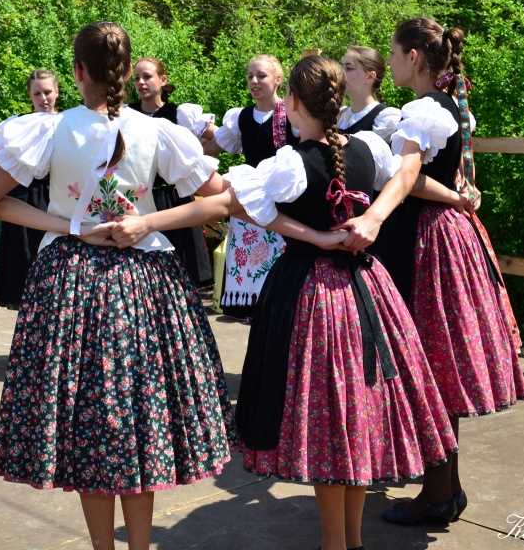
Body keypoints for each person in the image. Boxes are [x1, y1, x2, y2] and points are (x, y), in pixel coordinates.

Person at [0, 22, 256, 550]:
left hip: (70, 285)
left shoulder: (49, 130)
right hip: (146, 284)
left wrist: (67, 226)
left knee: (91, 427)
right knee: (141, 421)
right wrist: (148, 223)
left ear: (77, 72)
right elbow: (225, 199)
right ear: (124, 70)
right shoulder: (159, 131)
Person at [109, 55, 458, 550]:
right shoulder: (369, 148)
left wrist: (147, 221)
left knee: (328, 418)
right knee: (354, 412)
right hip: (366, 289)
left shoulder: (292, 163)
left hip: (314, 298)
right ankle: (349, 542)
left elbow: (227, 204)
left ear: (292, 102)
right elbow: (406, 178)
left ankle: (334, 544)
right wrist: (372, 219)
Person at [371, 18, 524, 526]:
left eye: (393, 52)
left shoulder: (423, 110)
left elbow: (410, 179)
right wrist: (460, 196)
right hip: (446, 236)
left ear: (414, 56)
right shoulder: (449, 106)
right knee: (437, 364)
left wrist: (375, 217)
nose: (390, 62)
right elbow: (446, 176)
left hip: (427, 241)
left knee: (430, 366)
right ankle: (446, 490)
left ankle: (439, 494)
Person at [202, 55, 300, 320]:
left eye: (261, 76)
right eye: (250, 76)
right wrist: (187, 155)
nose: (254, 81)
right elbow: (215, 146)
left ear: (278, 79)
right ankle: (252, 310)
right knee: (249, 264)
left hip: (282, 203)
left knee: (278, 265)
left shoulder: (292, 115)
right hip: (248, 202)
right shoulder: (241, 117)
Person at [128, 56, 215, 289]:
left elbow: (224, 138)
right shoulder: (127, 114)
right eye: (137, 78)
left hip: (174, 199)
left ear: (163, 79)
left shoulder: (179, 114)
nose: (141, 82)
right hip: (140, 199)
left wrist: (198, 156)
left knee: (181, 273)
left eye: (147, 76)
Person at [0, 69, 59, 306]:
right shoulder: (17, 124)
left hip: (54, 199)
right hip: (21, 198)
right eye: (37, 93)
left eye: (47, 92)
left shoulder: (67, 123)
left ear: (57, 92)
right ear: (30, 94)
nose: (43, 98)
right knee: (22, 267)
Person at [338, 46, 401, 143]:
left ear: (370, 77)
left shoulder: (385, 119)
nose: (340, 73)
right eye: (341, 67)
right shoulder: (340, 115)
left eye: (349, 68)